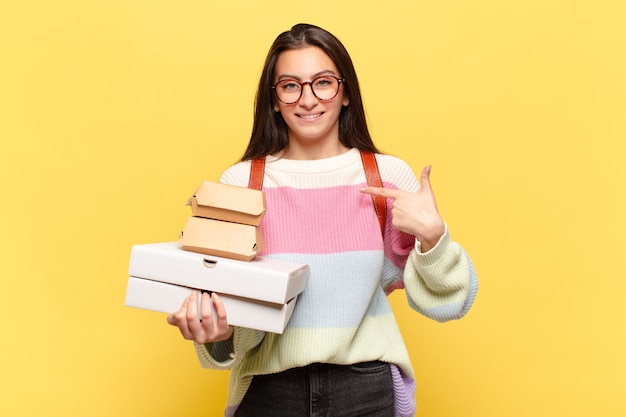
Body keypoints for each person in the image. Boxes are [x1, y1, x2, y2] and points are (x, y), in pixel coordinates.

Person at [167, 23, 478, 417]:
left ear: (345, 92)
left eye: (323, 83)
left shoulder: (385, 179)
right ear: (274, 100)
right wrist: (218, 333)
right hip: (269, 393)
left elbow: (450, 303)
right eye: (291, 85)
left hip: (365, 390)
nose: (308, 99)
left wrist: (434, 238)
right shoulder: (241, 183)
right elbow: (228, 312)